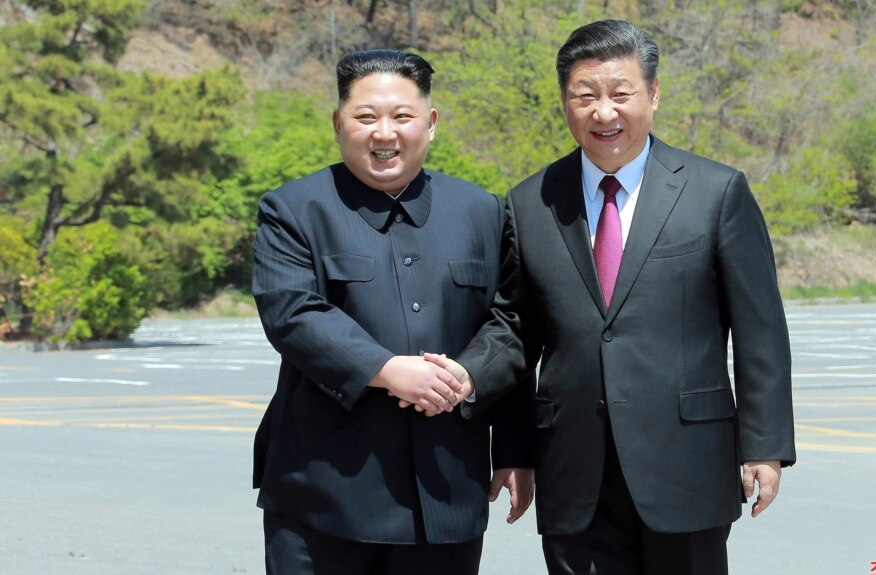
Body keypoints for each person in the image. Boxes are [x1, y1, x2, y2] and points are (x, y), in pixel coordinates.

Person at [425, 20, 796, 575]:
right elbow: (516, 331)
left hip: (686, 466)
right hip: (573, 470)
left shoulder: (715, 192)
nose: (604, 113)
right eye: (586, 96)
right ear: (564, 101)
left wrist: (763, 445)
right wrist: (512, 444)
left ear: (653, 93)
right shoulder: (530, 202)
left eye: (621, 94)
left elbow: (760, 329)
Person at [250, 49, 534, 575]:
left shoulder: (483, 212)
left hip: (446, 491)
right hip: (322, 493)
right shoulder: (294, 209)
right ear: (338, 124)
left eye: (402, 116)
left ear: (430, 123)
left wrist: (513, 447)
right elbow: (291, 311)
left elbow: (512, 322)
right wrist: (387, 371)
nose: (385, 133)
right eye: (365, 117)